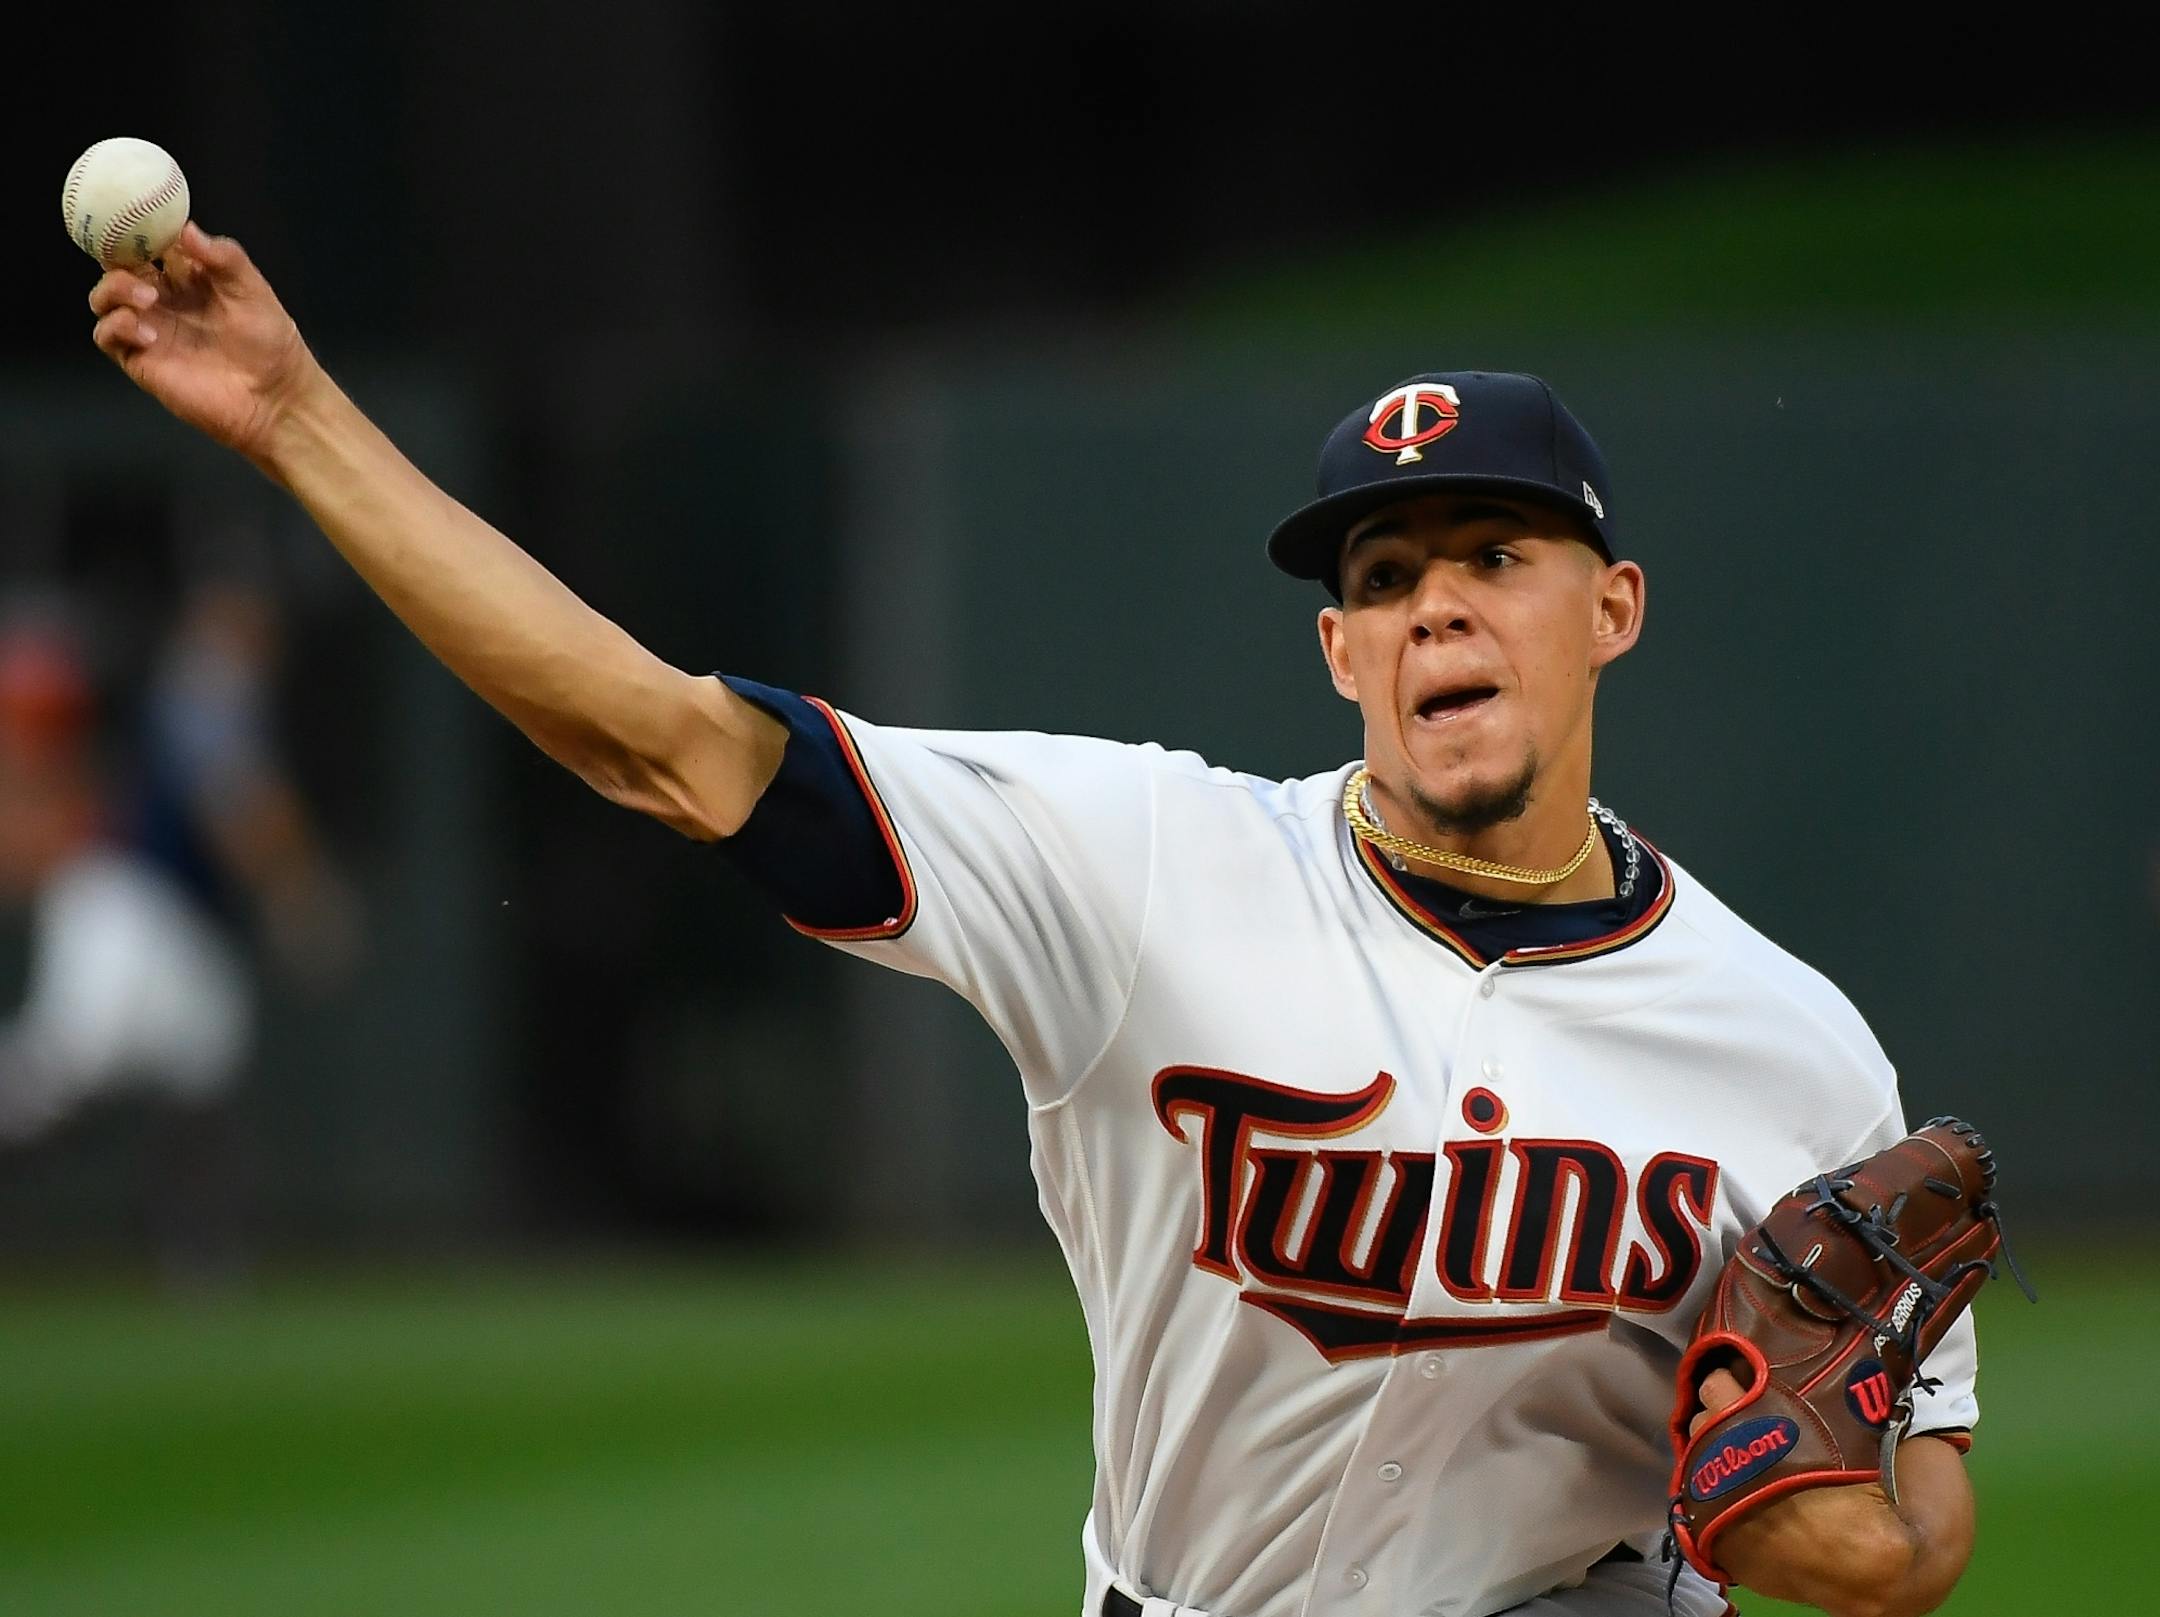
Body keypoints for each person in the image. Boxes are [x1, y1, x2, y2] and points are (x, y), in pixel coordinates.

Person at [84, 225, 1980, 1617]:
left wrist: (1878, 1550)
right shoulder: (1142, 863)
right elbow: (657, 736)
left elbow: (1922, 1506)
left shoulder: (1789, 1044)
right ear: (1337, 651)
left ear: (1614, 609)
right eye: (1387, 576)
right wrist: (300, 417)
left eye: (1498, 556)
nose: (1438, 609)